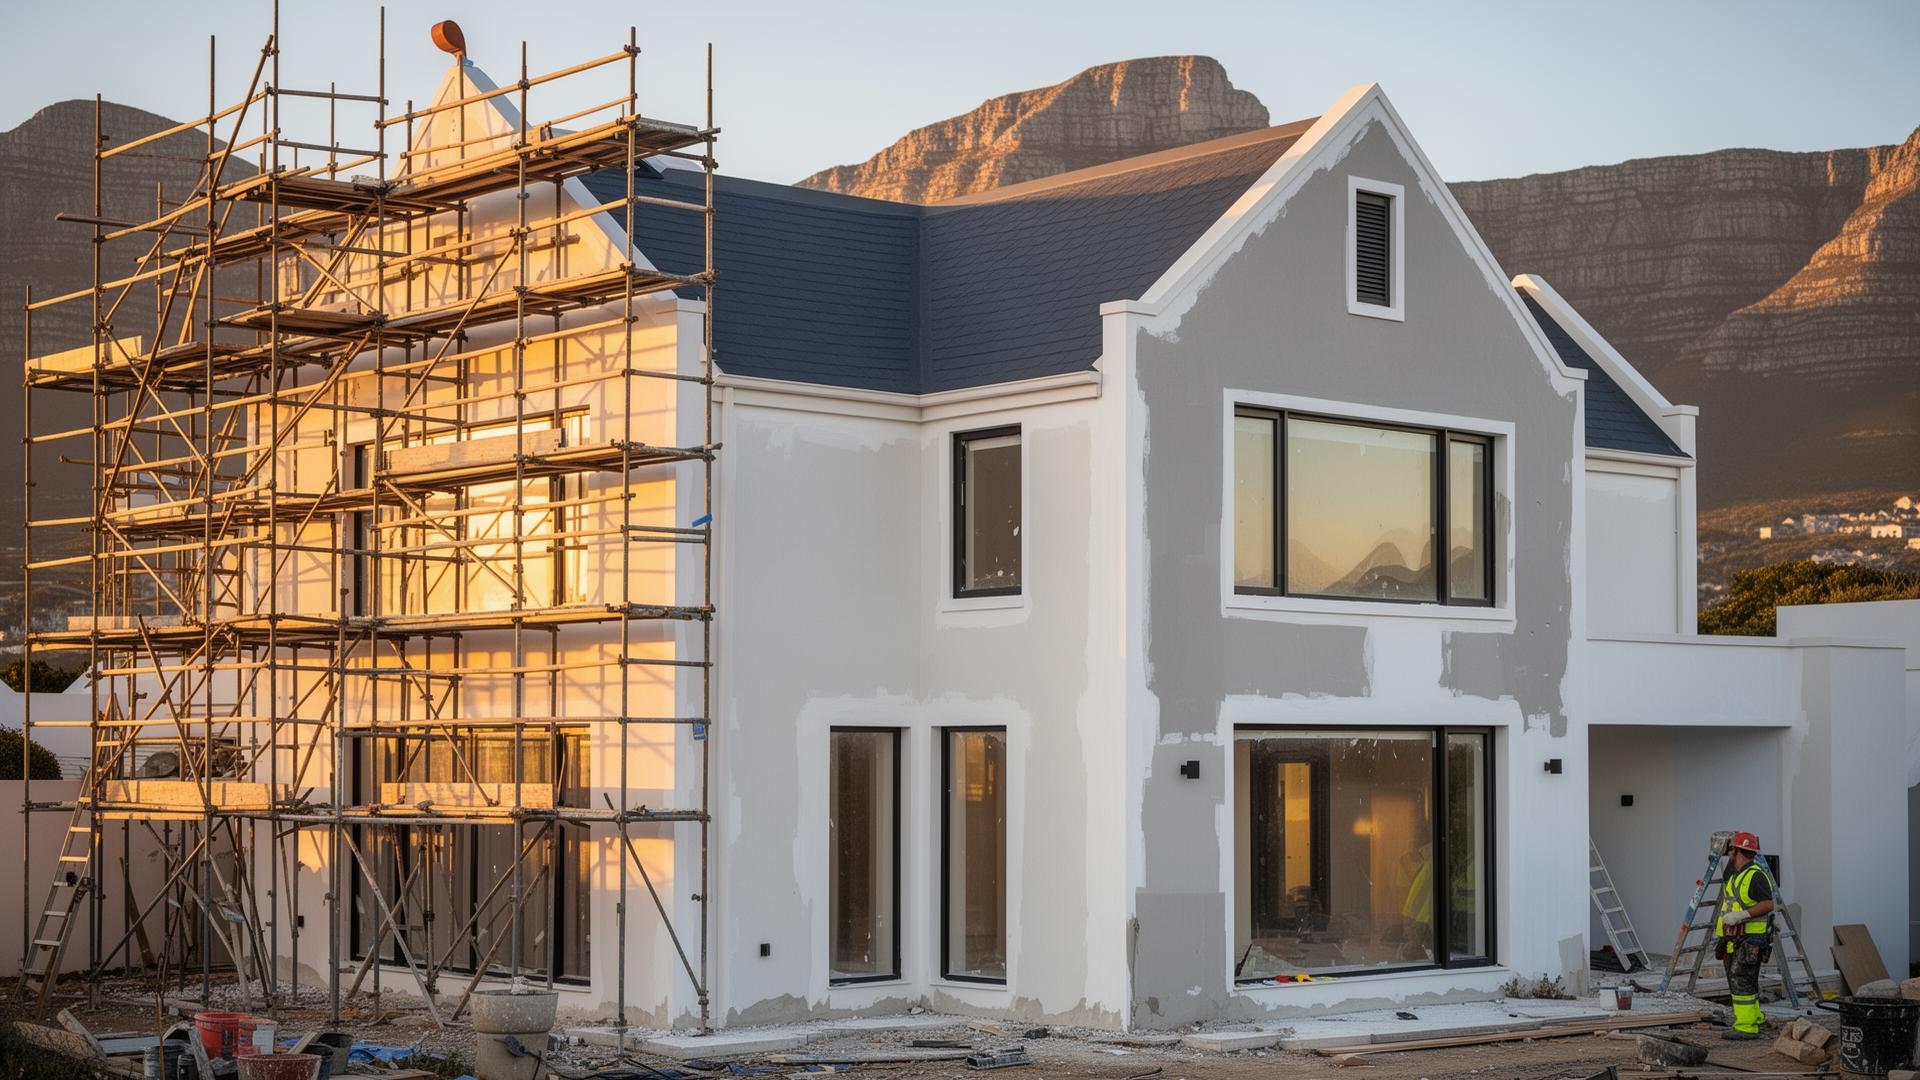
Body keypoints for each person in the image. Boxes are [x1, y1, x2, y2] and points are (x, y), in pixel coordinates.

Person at [1715, 831, 1776, 1040]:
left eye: (1731, 849)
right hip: (1735, 937)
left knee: (1741, 979)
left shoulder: (1755, 874)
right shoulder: (1737, 874)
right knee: (1742, 979)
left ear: (1738, 851)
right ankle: (1755, 1018)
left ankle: (1746, 1026)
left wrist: (1741, 916)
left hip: (1751, 937)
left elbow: (1768, 904)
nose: (1729, 853)